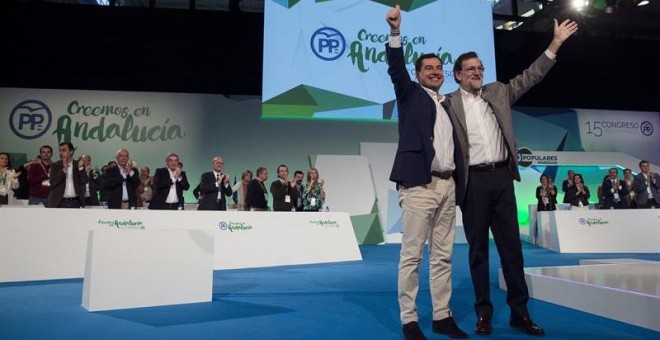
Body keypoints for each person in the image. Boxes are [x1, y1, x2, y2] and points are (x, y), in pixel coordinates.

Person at [445, 14, 578, 336]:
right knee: (478, 253)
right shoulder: (446, 104)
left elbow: (532, 76)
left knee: (512, 252)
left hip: (502, 179)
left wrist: (555, 43)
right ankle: (483, 314)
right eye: (471, 69)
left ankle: (520, 312)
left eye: (480, 68)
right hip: (473, 183)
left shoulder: (499, 92)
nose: (478, 72)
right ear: (459, 75)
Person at [385, 5, 466, 340]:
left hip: (449, 186)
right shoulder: (409, 94)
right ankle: (409, 319)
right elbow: (395, 68)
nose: (434, 72)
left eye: (438, 68)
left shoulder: (449, 103)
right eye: (428, 68)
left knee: (443, 256)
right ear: (418, 74)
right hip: (419, 184)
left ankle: (442, 316)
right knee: (412, 255)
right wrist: (395, 32)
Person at [46, 142, 87, 208]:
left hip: (75, 202)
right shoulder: (56, 165)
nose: (61, 153)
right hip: (59, 202)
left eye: (64, 150)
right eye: (60, 151)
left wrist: (81, 168)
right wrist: (64, 170)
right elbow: (52, 182)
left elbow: (84, 181)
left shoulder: (78, 164)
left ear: (71, 151)